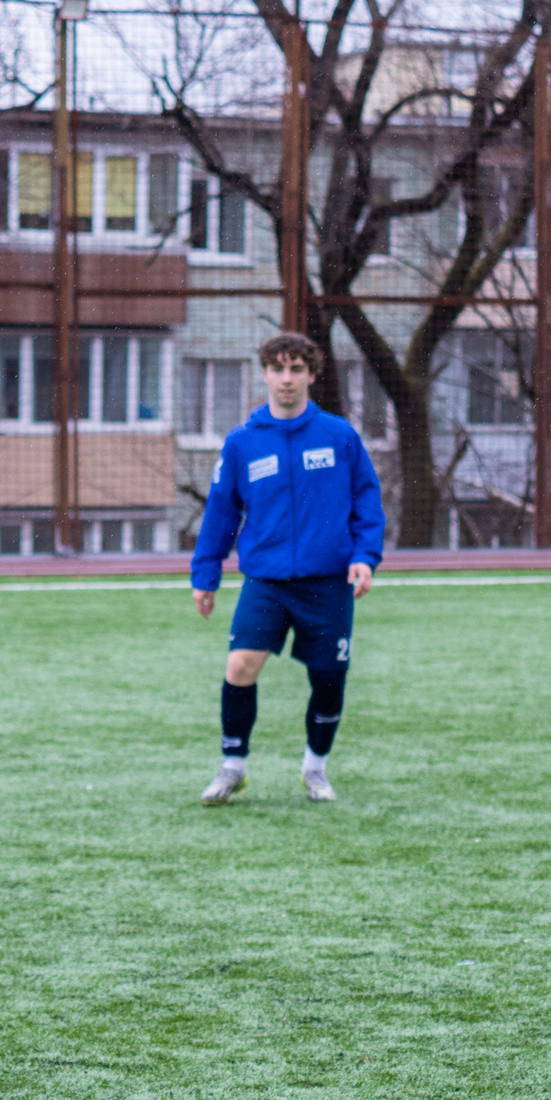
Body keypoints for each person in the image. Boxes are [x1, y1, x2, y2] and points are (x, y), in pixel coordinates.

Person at [187, 331, 383, 806]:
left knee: (328, 678)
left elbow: (366, 499)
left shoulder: (339, 436)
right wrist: (205, 575)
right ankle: (233, 766)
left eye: (296, 369)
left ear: (312, 375)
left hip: (327, 582)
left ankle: (315, 768)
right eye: (278, 369)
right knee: (240, 666)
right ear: (265, 374)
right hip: (267, 582)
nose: (287, 379)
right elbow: (221, 513)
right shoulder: (242, 443)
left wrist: (364, 557)